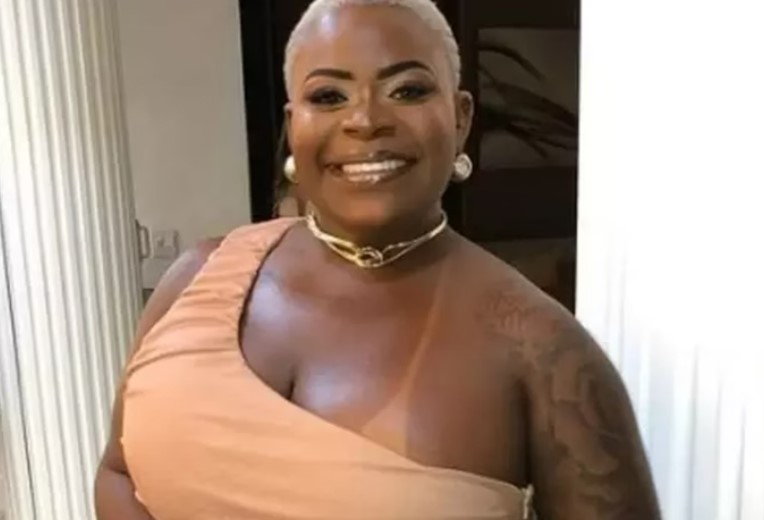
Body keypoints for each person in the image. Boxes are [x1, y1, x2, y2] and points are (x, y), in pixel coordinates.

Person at [94, 0, 661, 518]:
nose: (365, 120)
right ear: (293, 126)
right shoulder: (197, 276)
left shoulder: (548, 357)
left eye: (407, 90)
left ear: (460, 117)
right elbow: (119, 473)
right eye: (328, 96)